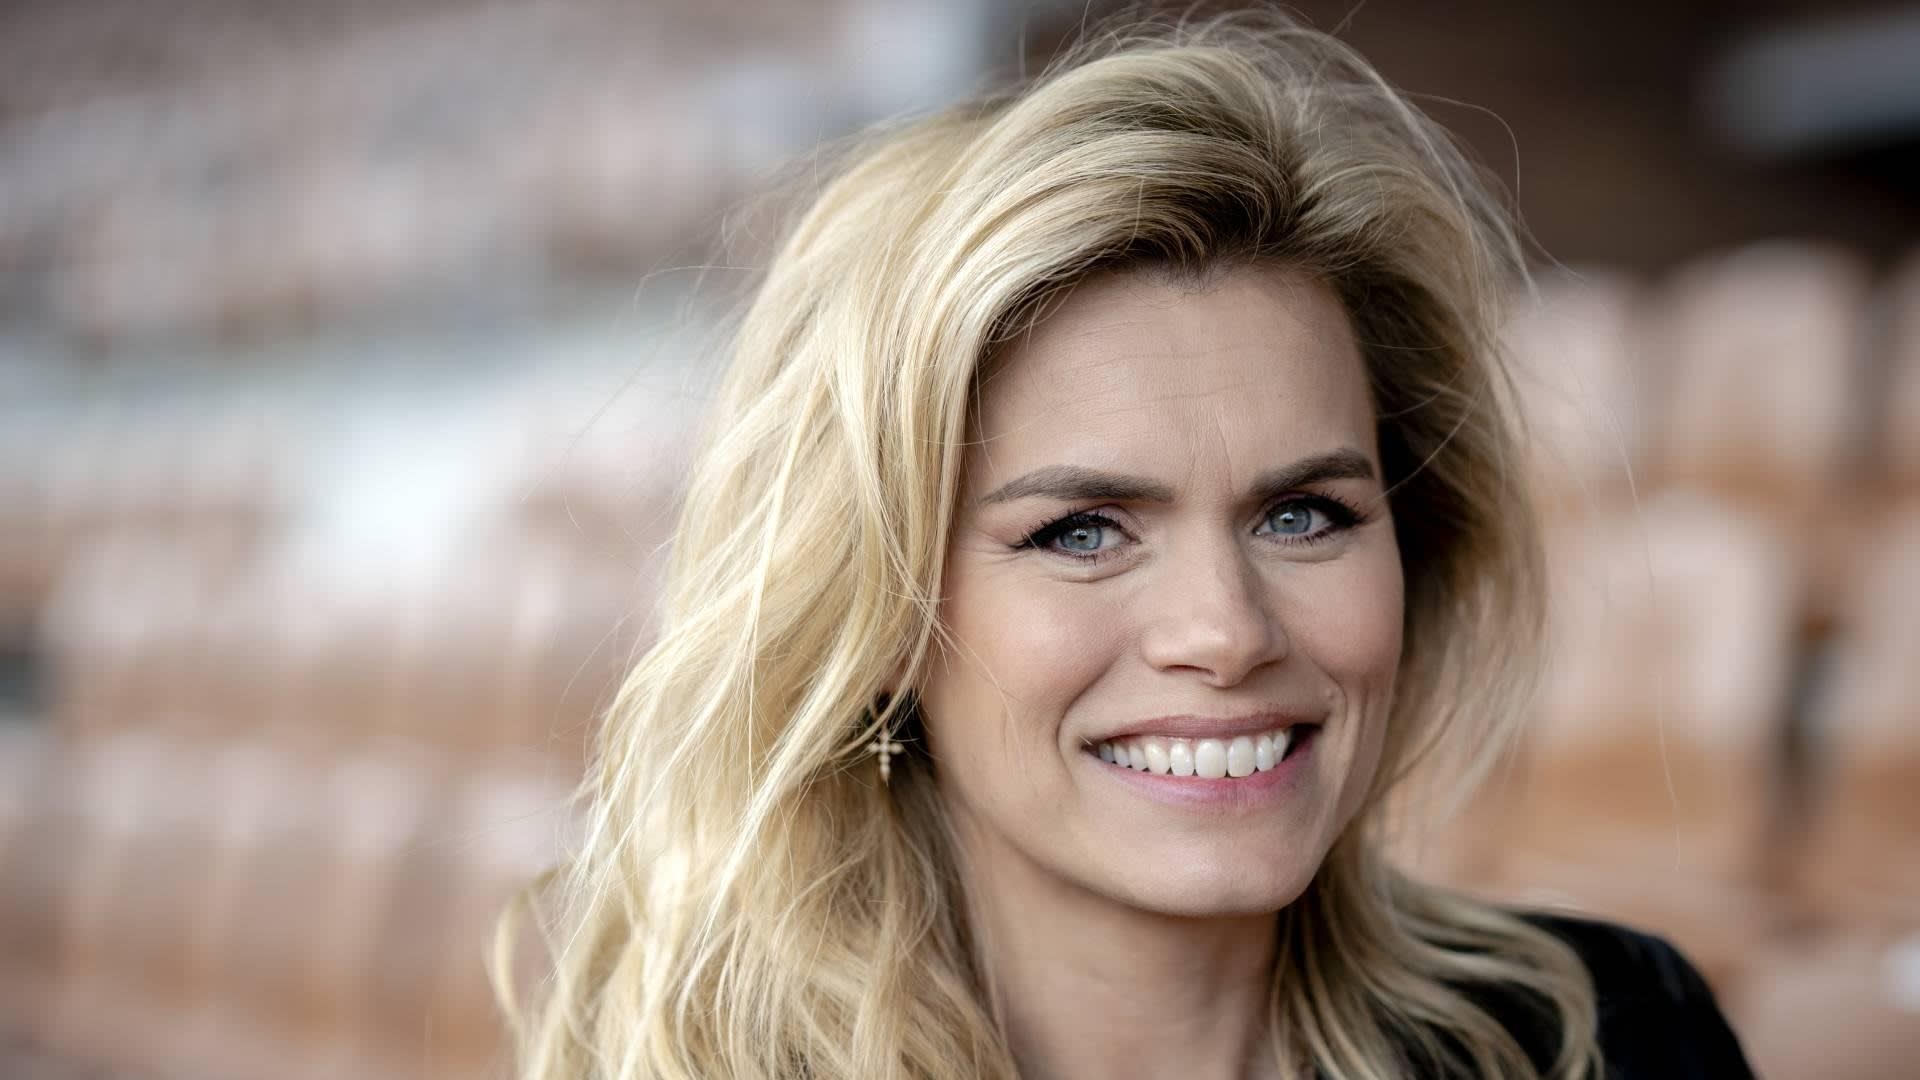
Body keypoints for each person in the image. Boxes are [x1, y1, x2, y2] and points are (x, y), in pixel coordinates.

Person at [496, 11, 1757, 1078]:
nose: (1226, 631)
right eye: (1083, 530)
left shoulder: (1612, 1041)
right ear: (878, 620)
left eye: (1302, 515)